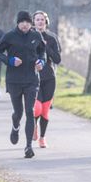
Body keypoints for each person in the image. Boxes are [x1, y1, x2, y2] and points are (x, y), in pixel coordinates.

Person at [0, 10, 46, 159]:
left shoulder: (36, 36)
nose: (25, 24)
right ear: (18, 23)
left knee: (30, 111)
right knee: (18, 112)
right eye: (22, 22)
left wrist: (41, 62)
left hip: (31, 79)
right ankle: (15, 125)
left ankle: (28, 146)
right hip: (14, 80)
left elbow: (42, 53)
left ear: (31, 23)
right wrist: (10, 61)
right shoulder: (9, 36)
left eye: (27, 22)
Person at [32, 11, 61, 149]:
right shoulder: (29, 37)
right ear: (33, 22)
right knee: (36, 109)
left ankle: (42, 138)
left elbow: (57, 59)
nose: (40, 22)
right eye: (37, 19)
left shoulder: (52, 38)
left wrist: (46, 46)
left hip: (49, 78)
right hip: (34, 77)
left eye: (42, 19)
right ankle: (33, 126)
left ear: (46, 21)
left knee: (45, 110)